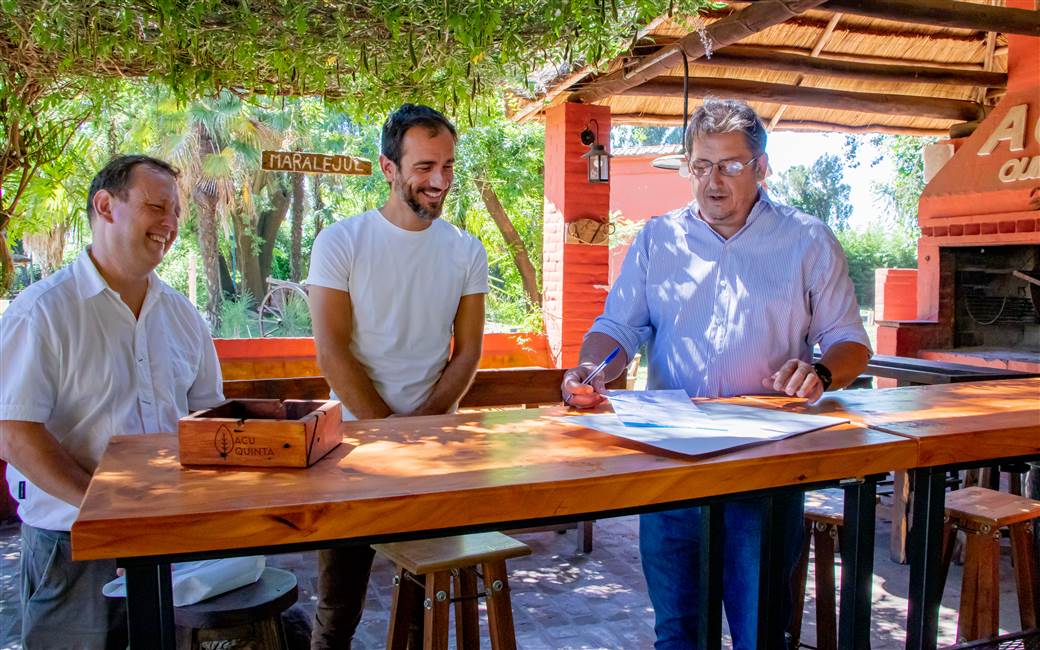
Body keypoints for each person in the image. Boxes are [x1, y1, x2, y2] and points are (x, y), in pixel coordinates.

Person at [561, 98, 871, 649]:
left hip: (765, 469)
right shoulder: (659, 239)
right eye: (701, 166)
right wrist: (593, 367)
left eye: (730, 165)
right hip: (673, 466)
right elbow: (618, 327)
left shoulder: (807, 240)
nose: (713, 181)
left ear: (762, 168)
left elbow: (850, 341)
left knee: (758, 633)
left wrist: (821, 372)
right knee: (679, 632)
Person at [0, 154, 225, 648]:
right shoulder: (41, 312)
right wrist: (103, 510)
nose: (170, 224)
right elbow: (15, 433)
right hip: (73, 542)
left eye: (176, 213)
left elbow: (209, 419)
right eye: (155, 207)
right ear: (105, 205)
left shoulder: (184, 316)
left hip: (168, 536)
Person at [305, 104, 488, 649]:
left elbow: (469, 352)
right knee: (337, 609)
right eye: (425, 166)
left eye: (448, 167)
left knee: (423, 605)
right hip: (351, 449)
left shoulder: (465, 249)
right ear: (387, 167)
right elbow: (332, 351)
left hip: (433, 448)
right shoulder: (340, 242)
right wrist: (386, 430)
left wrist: (420, 430)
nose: (439, 181)